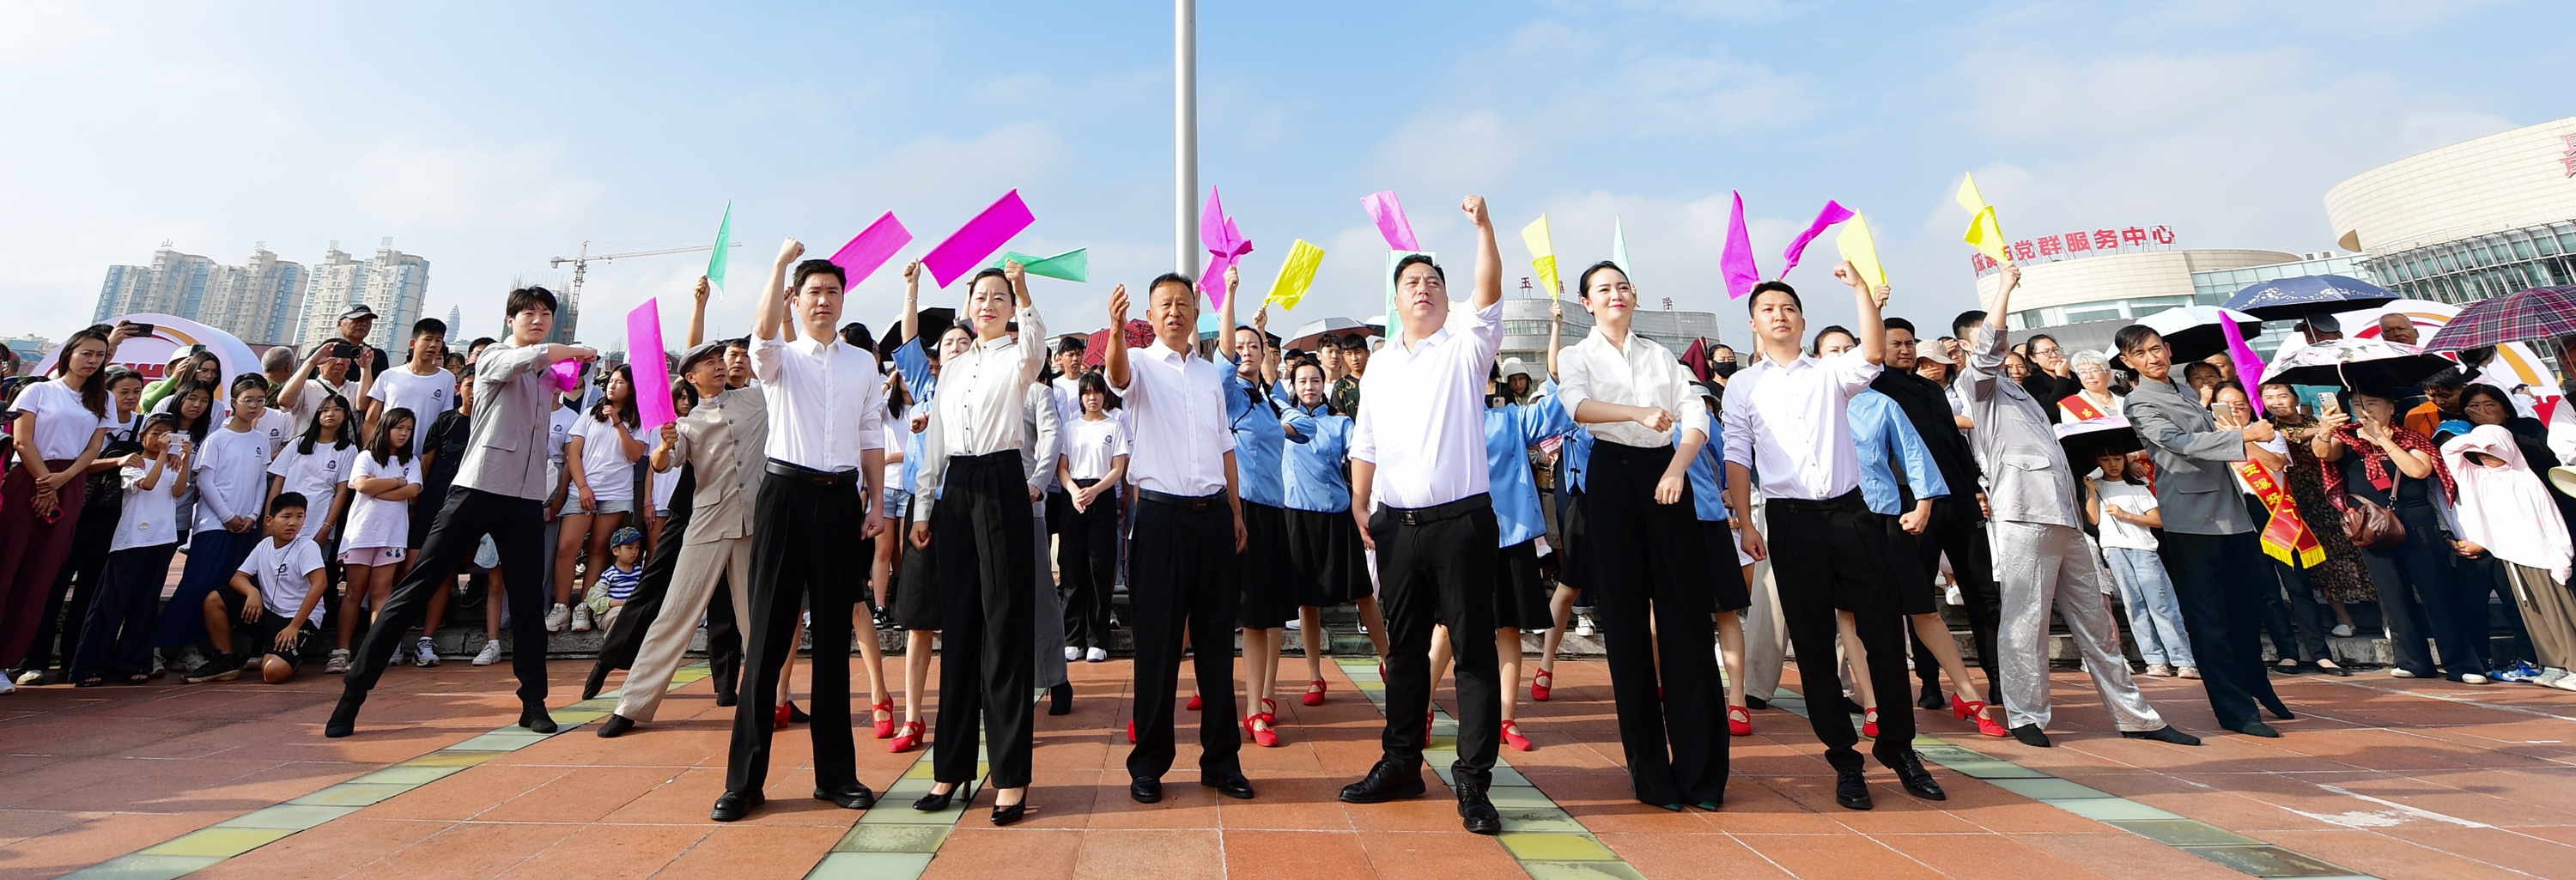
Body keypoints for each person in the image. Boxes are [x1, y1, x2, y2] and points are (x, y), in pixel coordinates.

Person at [324, 285, 600, 740]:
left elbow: (566, 385)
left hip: (526, 496)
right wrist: (568, 350)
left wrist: (577, 366)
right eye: (529, 314)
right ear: (510, 320)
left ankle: (534, 702)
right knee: (416, 586)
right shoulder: (494, 356)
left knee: (527, 603)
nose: (538, 320)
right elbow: (526, 360)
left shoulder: (548, 370)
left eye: (546, 314)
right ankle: (353, 695)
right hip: (477, 487)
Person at [1723, 265, 1950, 810]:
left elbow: (1871, 351)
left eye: (1788, 309)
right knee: (1814, 646)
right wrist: (1748, 523)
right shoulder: (1743, 386)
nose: (1779, 316)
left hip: (1852, 515)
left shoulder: (1830, 371)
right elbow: (1737, 455)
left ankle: (1899, 747)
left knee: (1883, 635)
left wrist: (1860, 291)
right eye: (1767, 310)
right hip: (1790, 521)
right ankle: (1845, 760)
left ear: (1802, 321)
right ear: (1753, 323)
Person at [1336, 194, 1504, 834]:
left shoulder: (1466, 347)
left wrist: (1483, 228)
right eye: (1412, 283)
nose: (1424, 289)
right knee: (1404, 653)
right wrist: (1361, 501)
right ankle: (1402, 762)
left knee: (1473, 654)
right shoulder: (1379, 365)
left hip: (1462, 524)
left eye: (1434, 281)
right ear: (1396, 300)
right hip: (1396, 527)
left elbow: (1488, 289)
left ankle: (1474, 782)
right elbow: (1366, 441)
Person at [710, 241, 886, 823]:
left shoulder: (862, 363)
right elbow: (761, 335)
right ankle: (744, 782)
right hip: (784, 496)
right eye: (813, 292)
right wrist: (779, 264)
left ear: (843, 299)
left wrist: (876, 501)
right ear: (796, 299)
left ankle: (835, 776)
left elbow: (870, 433)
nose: (823, 300)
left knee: (833, 641)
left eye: (833, 291)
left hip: (840, 502)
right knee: (766, 640)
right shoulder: (780, 358)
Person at [1556, 258, 1729, 809]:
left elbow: (1695, 414)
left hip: (1666, 475)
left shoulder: (1660, 355)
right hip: (1611, 478)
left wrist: (1677, 468)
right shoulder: (1576, 355)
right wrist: (1635, 413)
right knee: (1627, 628)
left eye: (1624, 287)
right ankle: (1651, 778)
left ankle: (1702, 775)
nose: (1617, 295)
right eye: (1604, 289)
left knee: (1687, 621)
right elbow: (1577, 407)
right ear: (1586, 303)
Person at [1104, 264, 1258, 810]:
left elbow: (1224, 446)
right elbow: (1117, 377)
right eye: (1164, 304)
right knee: (1158, 647)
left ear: (1196, 312)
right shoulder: (1140, 364)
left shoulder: (1209, 375)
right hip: (1161, 521)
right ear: (1150, 315)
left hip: (1213, 517)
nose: (1174, 311)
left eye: (1183, 303)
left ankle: (1221, 762)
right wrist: (1117, 332)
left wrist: (1235, 510)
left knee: (1217, 645)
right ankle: (1148, 763)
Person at [905, 258, 1048, 823]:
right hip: (957, 489)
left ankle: (1010, 778)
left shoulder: (1018, 357)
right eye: (980, 296)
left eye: (998, 297)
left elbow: (1035, 346)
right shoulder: (953, 366)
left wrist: (1023, 290)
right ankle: (951, 769)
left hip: (1001, 480)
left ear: (1009, 309)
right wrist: (923, 506)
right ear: (967, 304)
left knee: (1004, 629)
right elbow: (937, 443)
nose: (987, 305)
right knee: (959, 629)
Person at [1812, 327, 1996, 739]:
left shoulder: (1881, 403)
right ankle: (1871, 701)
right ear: (1818, 359)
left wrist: (1924, 505)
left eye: (1849, 349)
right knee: (1849, 614)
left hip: (1886, 516)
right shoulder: (1809, 404)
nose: (1842, 356)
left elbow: (1914, 455)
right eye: (1832, 351)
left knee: (1922, 608)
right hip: (1836, 519)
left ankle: (1968, 694)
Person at [2118, 322, 2293, 735]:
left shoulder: (2186, 391)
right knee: (2209, 621)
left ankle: (2257, 686)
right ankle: (2235, 711)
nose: (2152, 358)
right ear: (2128, 362)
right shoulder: (2139, 402)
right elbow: (2179, 443)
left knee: (2246, 613)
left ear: (2168, 349)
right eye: (2140, 354)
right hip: (2191, 519)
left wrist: (2236, 429)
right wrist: (2245, 436)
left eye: (2156, 349)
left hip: (2232, 513)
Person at [597, 342, 763, 738]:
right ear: (691, 377)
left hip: (753, 524)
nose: (719, 367)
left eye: (720, 360)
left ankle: (774, 698)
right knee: (675, 614)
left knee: (757, 619)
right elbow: (661, 463)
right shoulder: (685, 424)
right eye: (709, 363)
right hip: (708, 524)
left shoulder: (756, 401)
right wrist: (665, 444)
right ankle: (631, 705)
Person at [1429, 358, 1578, 755]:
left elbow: (1556, 410)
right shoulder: (1439, 424)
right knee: (1446, 627)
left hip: (1511, 537)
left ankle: (1506, 718)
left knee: (1508, 628)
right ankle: (1420, 711)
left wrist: (1567, 370)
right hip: (1461, 538)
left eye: (1485, 377)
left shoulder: (1511, 419)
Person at [2315, 387, 2487, 683]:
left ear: (2391, 407)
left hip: (2416, 521)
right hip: (2371, 525)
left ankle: (2461, 664)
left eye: (2371, 402)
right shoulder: (2348, 438)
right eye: (2357, 404)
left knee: (2438, 593)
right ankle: (2412, 660)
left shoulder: (2410, 437)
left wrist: (2383, 439)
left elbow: (2419, 470)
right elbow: (2324, 452)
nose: (2364, 410)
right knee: (2392, 595)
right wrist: (2325, 430)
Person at [1875, 317, 2001, 722]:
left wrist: (1975, 486)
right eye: (1896, 343)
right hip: (1915, 502)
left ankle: (1998, 679)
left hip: (1961, 497)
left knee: (1983, 592)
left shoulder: (1931, 389)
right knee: (1919, 595)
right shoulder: (1877, 386)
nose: (1905, 350)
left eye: (1910, 343)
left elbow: (1953, 441)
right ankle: (1930, 682)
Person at [0, 325, 119, 683]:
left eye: (100, 355)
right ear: (69, 354)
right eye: (87, 353)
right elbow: (22, 441)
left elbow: (93, 449)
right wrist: (45, 483)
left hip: (70, 483)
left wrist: (61, 481)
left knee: (40, 575)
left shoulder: (103, 399)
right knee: (7, 565)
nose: (92, 361)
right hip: (28, 478)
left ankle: (5, 660)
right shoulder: (38, 390)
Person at [15, 366, 146, 686]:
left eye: (136, 392)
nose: (131, 397)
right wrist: (115, 461)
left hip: (111, 516)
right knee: (52, 584)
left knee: (89, 591)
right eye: (123, 392)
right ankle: (34, 660)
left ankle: (76, 661)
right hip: (74, 507)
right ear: (107, 393)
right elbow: (77, 462)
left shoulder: (143, 426)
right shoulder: (85, 419)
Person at [1280, 355, 1388, 703]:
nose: (1309, 387)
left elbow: (1362, 459)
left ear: (1323, 384)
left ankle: (1389, 661)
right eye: (1302, 381)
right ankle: (1315, 677)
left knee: (1363, 592)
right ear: (1293, 386)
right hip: (1297, 518)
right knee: (1306, 602)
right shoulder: (1282, 422)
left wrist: (1363, 505)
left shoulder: (1340, 423)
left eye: (1315, 380)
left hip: (1337, 516)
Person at [155, 373, 276, 682]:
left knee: (225, 588)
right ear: (234, 402)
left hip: (245, 526)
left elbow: (260, 482)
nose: (254, 406)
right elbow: (206, 481)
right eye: (248, 400)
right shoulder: (217, 439)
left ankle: (203, 648)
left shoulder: (261, 440)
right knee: (198, 585)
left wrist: (253, 515)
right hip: (214, 526)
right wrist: (226, 516)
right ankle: (160, 644)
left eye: (259, 401)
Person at [1217, 280, 1293, 748]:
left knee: (1262, 617)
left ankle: (1259, 706)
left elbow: (1301, 426)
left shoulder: (1269, 400)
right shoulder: (1226, 392)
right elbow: (1226, 356)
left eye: (1255, 346)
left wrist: (1264, 336)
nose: (1245, 351)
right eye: (1240, 345)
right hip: (1237, 510)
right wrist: (1230, 295)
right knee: (1225, 613)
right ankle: (1242, 709)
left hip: (1272, 513)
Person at [2444, 422, 2576, 690]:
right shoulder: (2477, 477)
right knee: (2533, 615)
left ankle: (2574, 664)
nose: (2485, 455)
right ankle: (2554, 663)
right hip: (2512, 557)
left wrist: (2563, 556)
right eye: (2481, 451)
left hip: (2543, 557)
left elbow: (2552, 519)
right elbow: (2449, 450)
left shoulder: (2525, 478)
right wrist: (2477, 441)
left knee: (2559, 613)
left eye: (2491, 449)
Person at [67, 413, 188, 686]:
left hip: (162, 539)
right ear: (142, 436)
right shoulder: (133, 462)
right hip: (131, 541)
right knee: (110, 605)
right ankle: (91, 666)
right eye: (155, 433)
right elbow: (147, 484)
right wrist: (163, 455)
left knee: (145, 605)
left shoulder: (172, 463)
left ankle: (133, 663)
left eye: (167, 434)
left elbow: (178, 492)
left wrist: (184, 459)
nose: (160, 439)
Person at [2258, 382, 2373, 647]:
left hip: (2333, 494)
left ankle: (2384, 615)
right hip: (2297, 501)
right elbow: (2290, 437)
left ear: (2295, 398)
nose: (2276, 401)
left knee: (2358, 553)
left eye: (2282, 395)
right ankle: (2343, 617)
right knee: (2320, 563)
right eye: (2269, 397)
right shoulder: (2267, 430)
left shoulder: (2319, 420)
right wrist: (2323, 430)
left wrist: (2326, 427)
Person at [2086, 449, 2196, 678]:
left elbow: (2157, 519)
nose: (2112, 464)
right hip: (2114, 550)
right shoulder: (2096, 486)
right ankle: (2154, 659)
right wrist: (2091, 493)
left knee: (2161, 604)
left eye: (2117, 459)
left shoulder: (2137, 486)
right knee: (2134, 605)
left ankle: (2183, 659)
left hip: (2143, 549)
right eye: (2105, 460)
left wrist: (2125, 515)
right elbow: (2093, 519)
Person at [554, 364, 647, 633]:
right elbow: (573, 454)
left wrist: (617, 422)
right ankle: (561, 607)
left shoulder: (637, 421)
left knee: (598, 548)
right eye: (611, 381)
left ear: (632, 388)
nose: (612, 386)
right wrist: (582, 487)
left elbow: (634, 455)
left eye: (620, 382)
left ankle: (584, 606)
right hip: (583, 490)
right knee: (567, 548)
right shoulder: (589, 414)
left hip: (616, 492)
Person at [336, 408, 419, 673]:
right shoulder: (366, 456)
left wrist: (379, 489)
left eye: (409, 429)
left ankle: (374, 653)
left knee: (381, 592)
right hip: (361, 533)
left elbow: (413, 491)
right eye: (399, 428)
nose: (404, 434)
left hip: (392, 535)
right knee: (354, 591)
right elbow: (361, 485)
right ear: (386, 427)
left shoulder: (411, 461)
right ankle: (341, 650)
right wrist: (396, 481)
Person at [1054, 372, 1126, 664]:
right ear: (1081, 397)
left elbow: (1118, 467)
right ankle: (1073, 637)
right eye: (1086, 393)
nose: (1092, 398)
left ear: (1104, 395)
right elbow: (1061, 467)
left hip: (1102, 495)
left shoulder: (1114, 426)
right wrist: (1074, 491)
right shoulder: (1069, 428)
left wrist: (1095, 490)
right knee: (1072, 566)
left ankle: (1097, 639)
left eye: (1096, 392)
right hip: (1073, 497)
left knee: (1100, 566)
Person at [223, 492, 331, 684]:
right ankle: (224, 660)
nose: (293, 523)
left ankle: (282, 657)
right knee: (216, 599)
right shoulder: (264, 545)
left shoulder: (307, 546)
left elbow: (320, 584)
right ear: (269, 520)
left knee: (272, 673)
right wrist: (252, 592)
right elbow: (238, 578)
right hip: (269, 615)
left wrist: (295, 626)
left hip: (298, 618)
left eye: (299, 517)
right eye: (286, 516)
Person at [365, 319, 454, 454]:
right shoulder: (389, 375)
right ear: (413, 343)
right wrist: (373, 453)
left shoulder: (447, 378)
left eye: (438, 340)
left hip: (423, 456)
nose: (433, 345)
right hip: (386, 456)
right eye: (428, 339)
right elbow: (371, 420)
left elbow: (444, 424)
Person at [584, 526, 644, 634]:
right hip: (611, 611)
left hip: (632, 610)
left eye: (637, 547)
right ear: (616, 551)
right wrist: (614, 603)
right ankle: (614, 642)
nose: (634, 552)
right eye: (630, 548)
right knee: (617, 615)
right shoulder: (609, 574)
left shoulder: (639, 572)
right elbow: (596, 599)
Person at [2020, 334, 2080, 423]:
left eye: (2056, 350)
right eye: (2046, 352)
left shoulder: (2077, 376)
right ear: (2033, 358)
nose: (2054, 355)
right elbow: (2052, 409)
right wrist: (2062, 378)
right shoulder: (2032, 382)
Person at [2059, 350, 2122, 421]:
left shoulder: (2125, 401)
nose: (2089, 376)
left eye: (2094, 370)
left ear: (2108, 373)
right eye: (2083, 372)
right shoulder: (2072, 405)